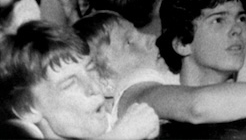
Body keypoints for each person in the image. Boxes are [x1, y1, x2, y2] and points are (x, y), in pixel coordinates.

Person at [0, 20, 160, 140]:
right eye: (70, 83)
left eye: (91, 70)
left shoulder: (108, 121)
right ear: (28, 109)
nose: (93, 88)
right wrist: (123, 135)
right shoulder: (15, 132)